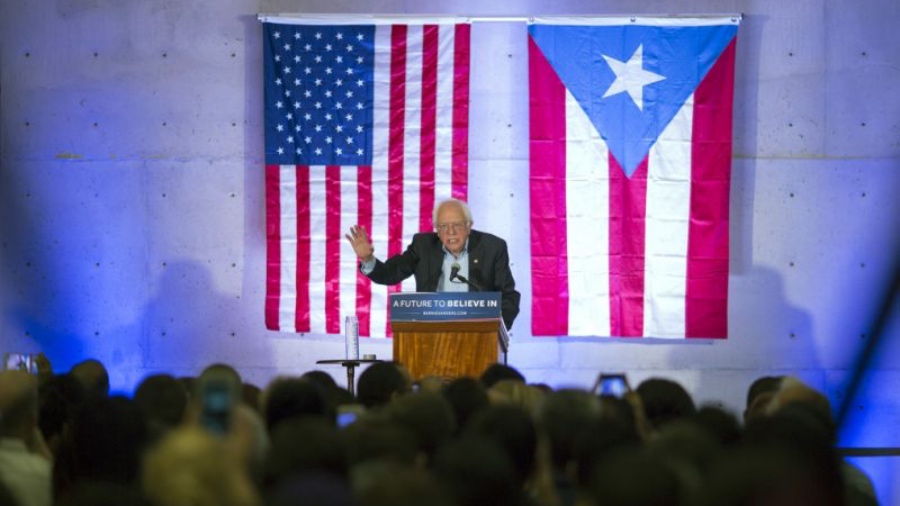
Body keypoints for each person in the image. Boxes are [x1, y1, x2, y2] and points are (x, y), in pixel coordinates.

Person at [345, 198, 521, 330]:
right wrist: (367, 260)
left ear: (469, 226)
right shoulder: (423, 246)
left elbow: (509, 297)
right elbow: (390, 274)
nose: (450, 232)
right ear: (437, 230)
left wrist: (494, 331)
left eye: (457, 225)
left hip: (479, 336)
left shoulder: (492, 247)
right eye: (443, 226)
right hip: (431, 336)